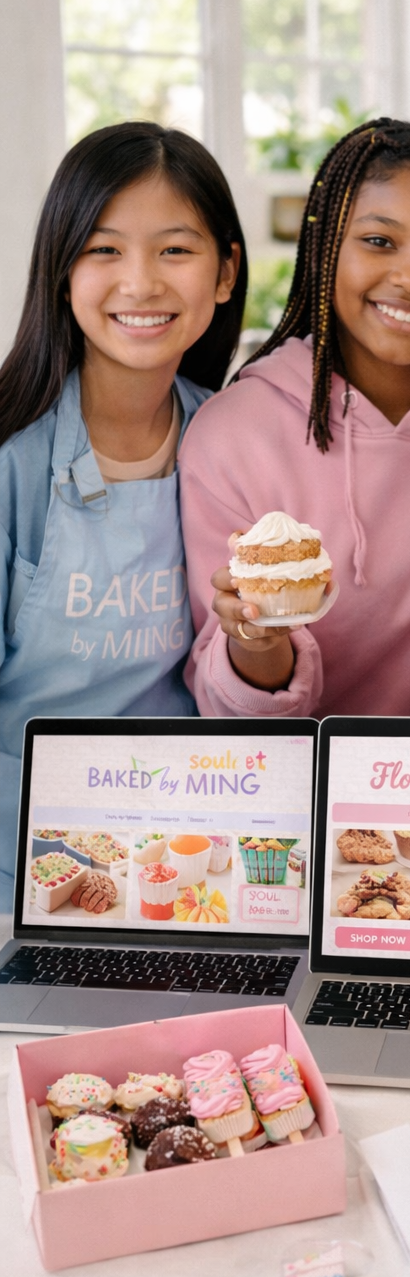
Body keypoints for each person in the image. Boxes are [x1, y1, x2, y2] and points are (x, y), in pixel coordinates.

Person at [181, 119, 410, 719]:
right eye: (379, 241)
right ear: (327, 247)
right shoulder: (233, 432)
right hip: (312, 792)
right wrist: (255, 640)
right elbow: (233, 710)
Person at [0, 122, 245, 910]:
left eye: (175, 250)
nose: (140, 283)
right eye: (104, 250)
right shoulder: (12, 459)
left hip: (190, 862)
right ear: (60, 270)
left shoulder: (233, 441)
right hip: (17, 879)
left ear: (225, 273)